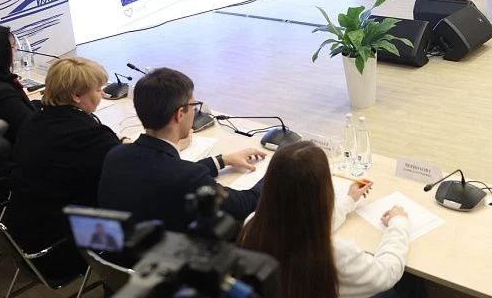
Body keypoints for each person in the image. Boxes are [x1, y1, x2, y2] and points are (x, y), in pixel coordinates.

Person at [98, 68, 266, 233]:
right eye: (194, 106)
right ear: (180, 114)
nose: (194, 111)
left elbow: (165, 170)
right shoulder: (187, 177)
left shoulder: (116, 155)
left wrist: (222, 160)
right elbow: (243, 205)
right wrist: (273, 173)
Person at [238, 141, 415, 298]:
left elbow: (303, 221)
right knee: (411, 283)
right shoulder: (336, 254)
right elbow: (387, 273)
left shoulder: (252, 224)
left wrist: (348, 200)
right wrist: (398, 223)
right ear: (323, 191)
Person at [6, 57, 122, 278]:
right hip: (57, 249)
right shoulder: (89, 136)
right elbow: (128, 170)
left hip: (21, 233)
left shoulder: (33, 121)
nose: (102, 95)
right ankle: (117, 283)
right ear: (76, 96)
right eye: (98, 90)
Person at [0, 24, 38, 146]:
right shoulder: (2, 94)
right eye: (12, 46)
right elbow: (32, 127)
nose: (16, 49)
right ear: (0, 53)